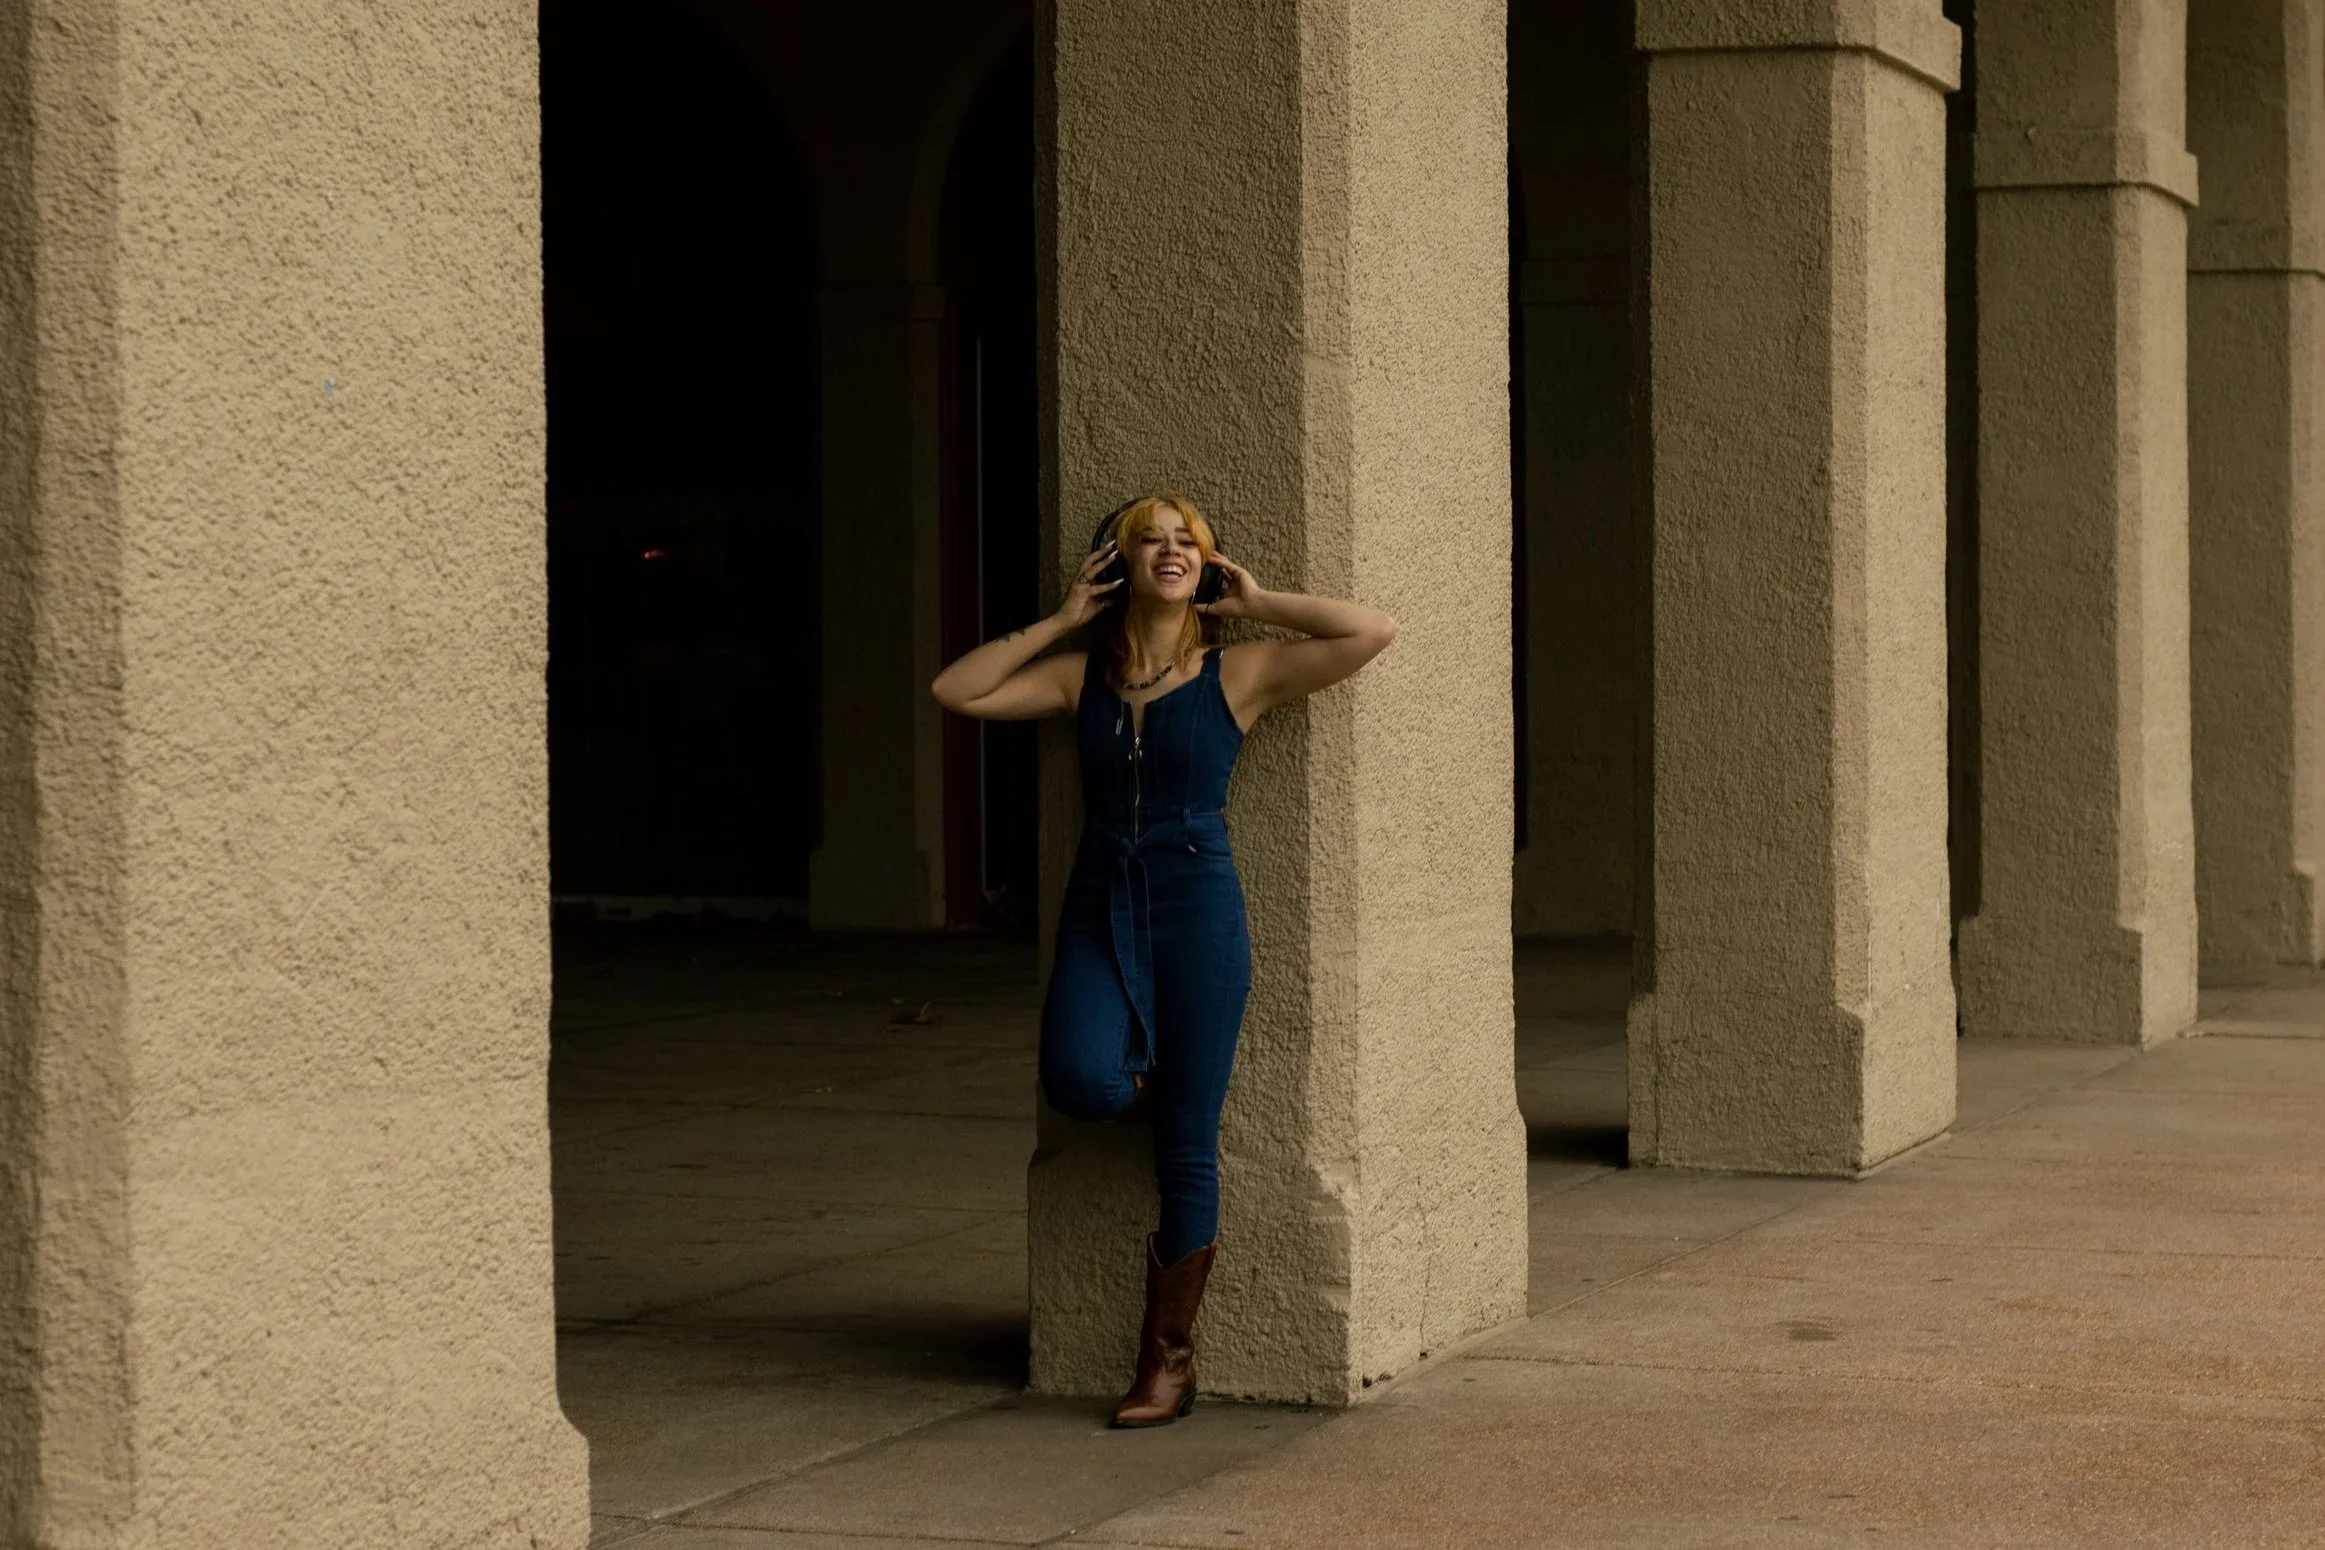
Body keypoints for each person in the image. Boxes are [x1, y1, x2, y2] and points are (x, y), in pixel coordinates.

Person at [930, 493, 1396, 1426]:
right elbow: (958, 690)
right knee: (1080, 1080)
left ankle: (1166, 1364)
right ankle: (1140, 1069)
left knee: (1188, 1145)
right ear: (1121, 563)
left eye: (1188, 543)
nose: (1171, 552)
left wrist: (1258, 598)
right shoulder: (1078, 679)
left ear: (1206, 567)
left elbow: (1370, 631)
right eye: (1152, 541)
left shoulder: (1241, 673)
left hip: (1199, 912)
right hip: (1100, 902)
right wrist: (1063, 619)